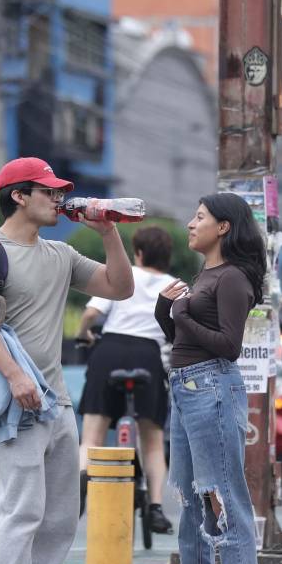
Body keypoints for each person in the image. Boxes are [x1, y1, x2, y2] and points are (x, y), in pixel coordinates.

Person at [0, 157, 134, 564]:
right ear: (18, 196)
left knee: (59, 513)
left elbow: (120, 288)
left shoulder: (60, 254)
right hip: (10, 399)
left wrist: (108, 233)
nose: (59, 200)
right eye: (48, 191)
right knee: (23, 507)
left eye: (60, 192)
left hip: (56, 401)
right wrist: (14, 375)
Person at [152, 193, 267, 564]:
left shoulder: (233, 277)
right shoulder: (205, 274)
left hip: (213, 387)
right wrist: (166, 311)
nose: (190, 223)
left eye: (199, 217)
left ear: (223, 227)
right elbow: (184, 338)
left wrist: (182, 313)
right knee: (190, 501)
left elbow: (228, 346)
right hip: (184, 387)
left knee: (224, 498)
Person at [77, 225, 176, 535]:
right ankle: (156, 508)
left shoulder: (124, 273)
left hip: (109, 351)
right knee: (152, 440)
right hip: (148, 356)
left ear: (139, 252)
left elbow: (91, 314)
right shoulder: (176, 285)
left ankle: (82, 479)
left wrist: (83, 335)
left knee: (92, 434)